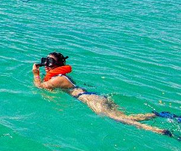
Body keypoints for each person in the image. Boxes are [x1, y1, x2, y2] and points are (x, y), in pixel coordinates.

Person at [32, 52, 171, 136]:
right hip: (97, 97)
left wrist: (36, 74)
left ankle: (159, 131)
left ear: (57, 65)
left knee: (120, 120)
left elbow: (40, 87)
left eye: (49, 62)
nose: (46, 65)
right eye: (45, 61)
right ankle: (158, 114)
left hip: (92, 101)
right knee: (125, 116)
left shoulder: (59, 79)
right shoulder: (62, 76)